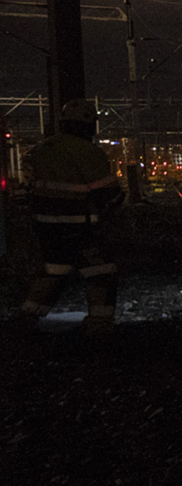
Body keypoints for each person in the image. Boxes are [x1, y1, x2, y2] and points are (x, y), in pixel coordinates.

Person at [17, 99, 124, 337]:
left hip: (44, 226)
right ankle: (99, 325)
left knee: (55, 269)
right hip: (79, 225)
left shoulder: (39, 151)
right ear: (89, 126)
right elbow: (108, 193)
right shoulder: (88, 152)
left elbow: (27, 189)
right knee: (101, 271)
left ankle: (27, 318)